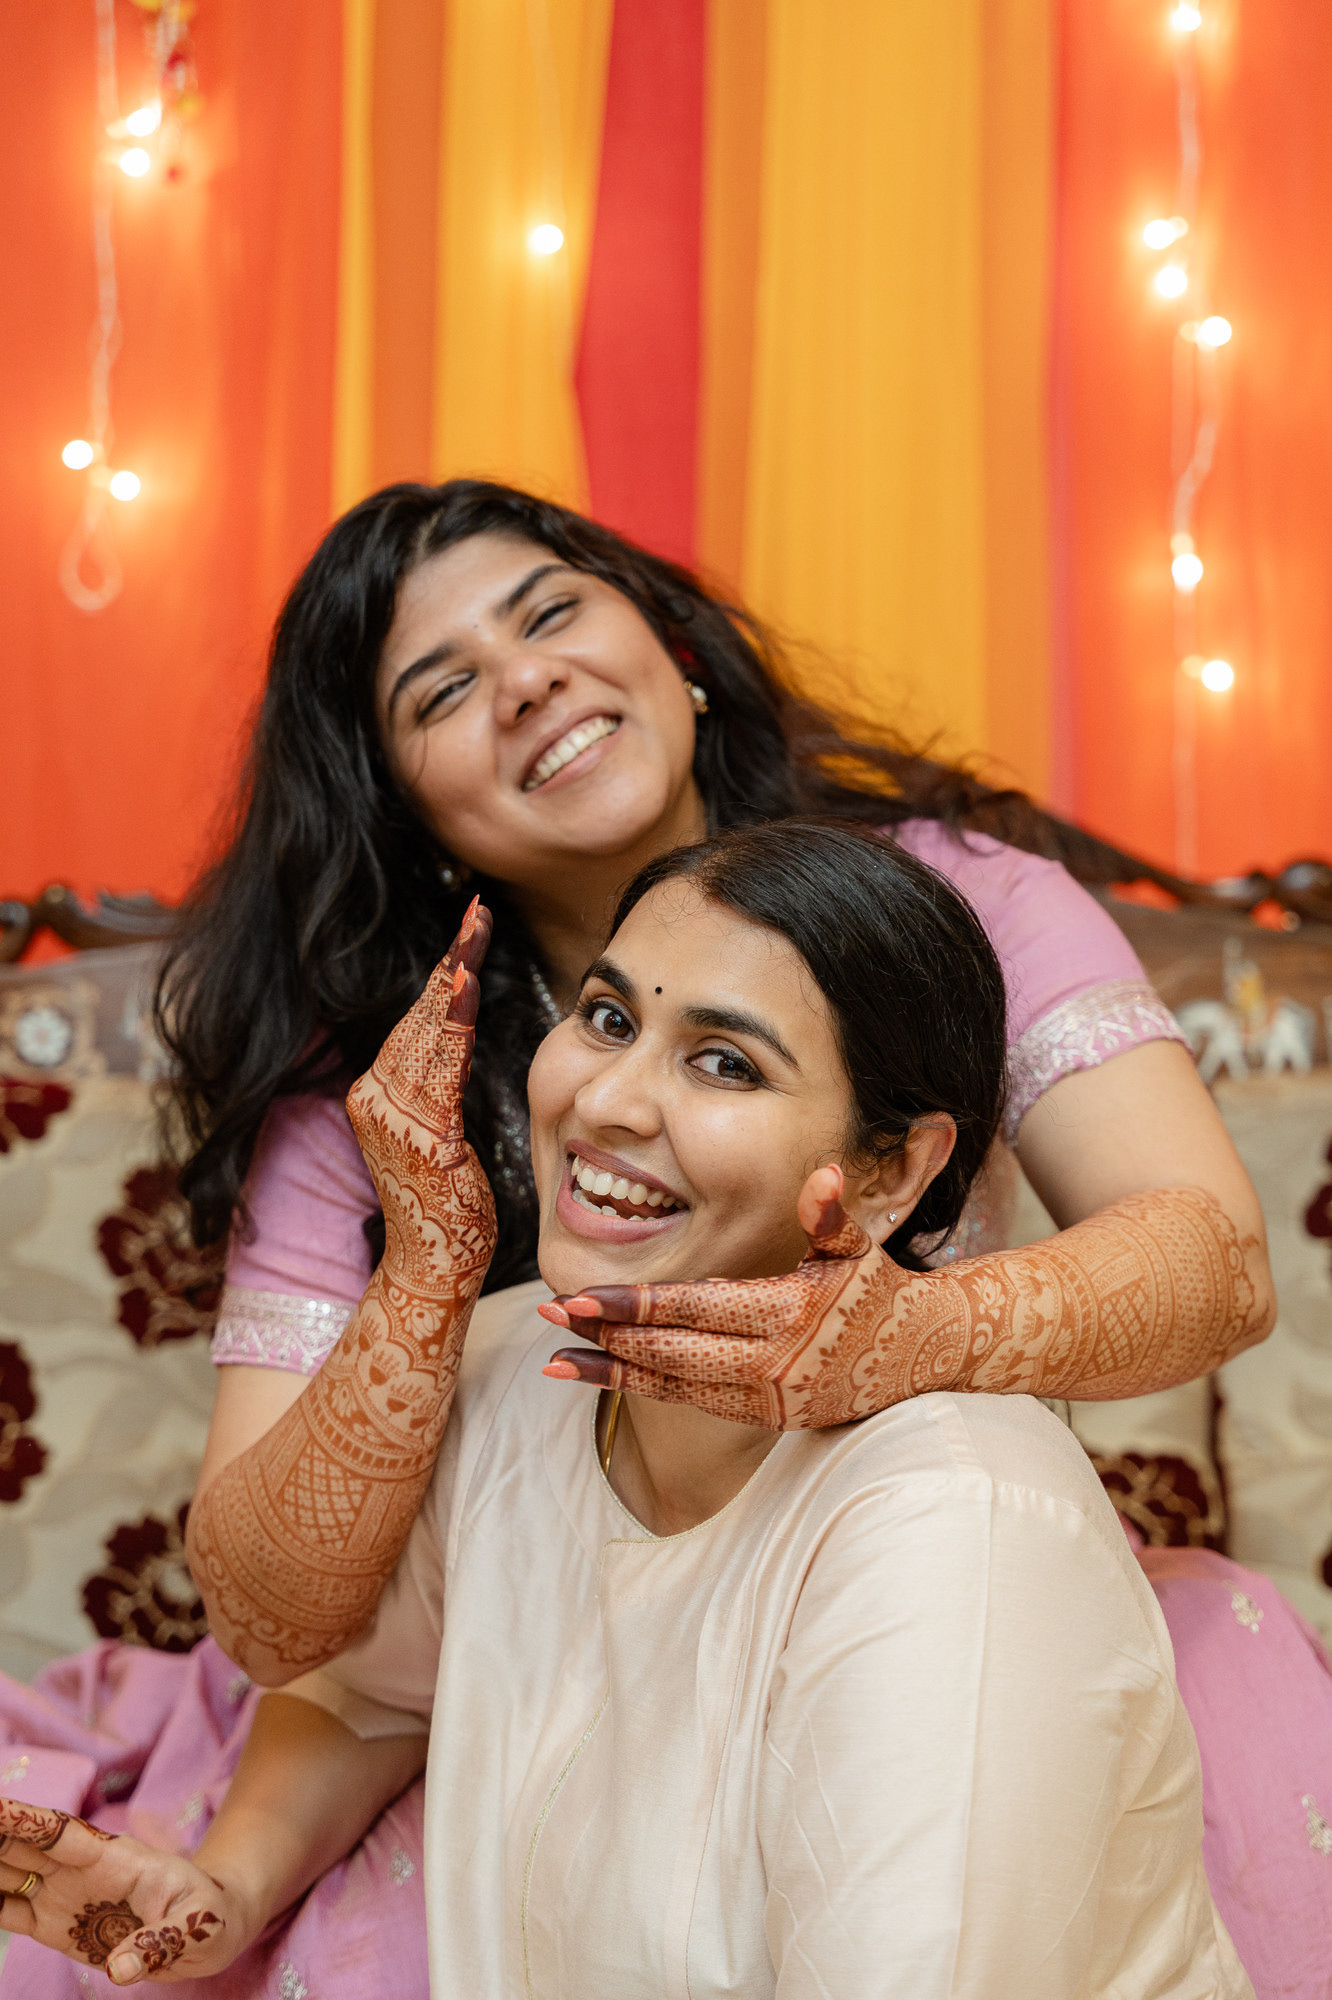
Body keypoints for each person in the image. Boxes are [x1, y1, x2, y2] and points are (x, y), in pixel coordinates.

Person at [0, 481, 1324, 1997]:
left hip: (891, 1577)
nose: (526, 681)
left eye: (552, 612)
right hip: (507, 1664)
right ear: (403, 809)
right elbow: (290, 1620)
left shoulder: (960, 905)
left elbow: (1215, 1260)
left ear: (672, 645)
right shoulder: (384, 1078)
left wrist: (902, 1339)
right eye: (443, 691)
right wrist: (429, 1273)